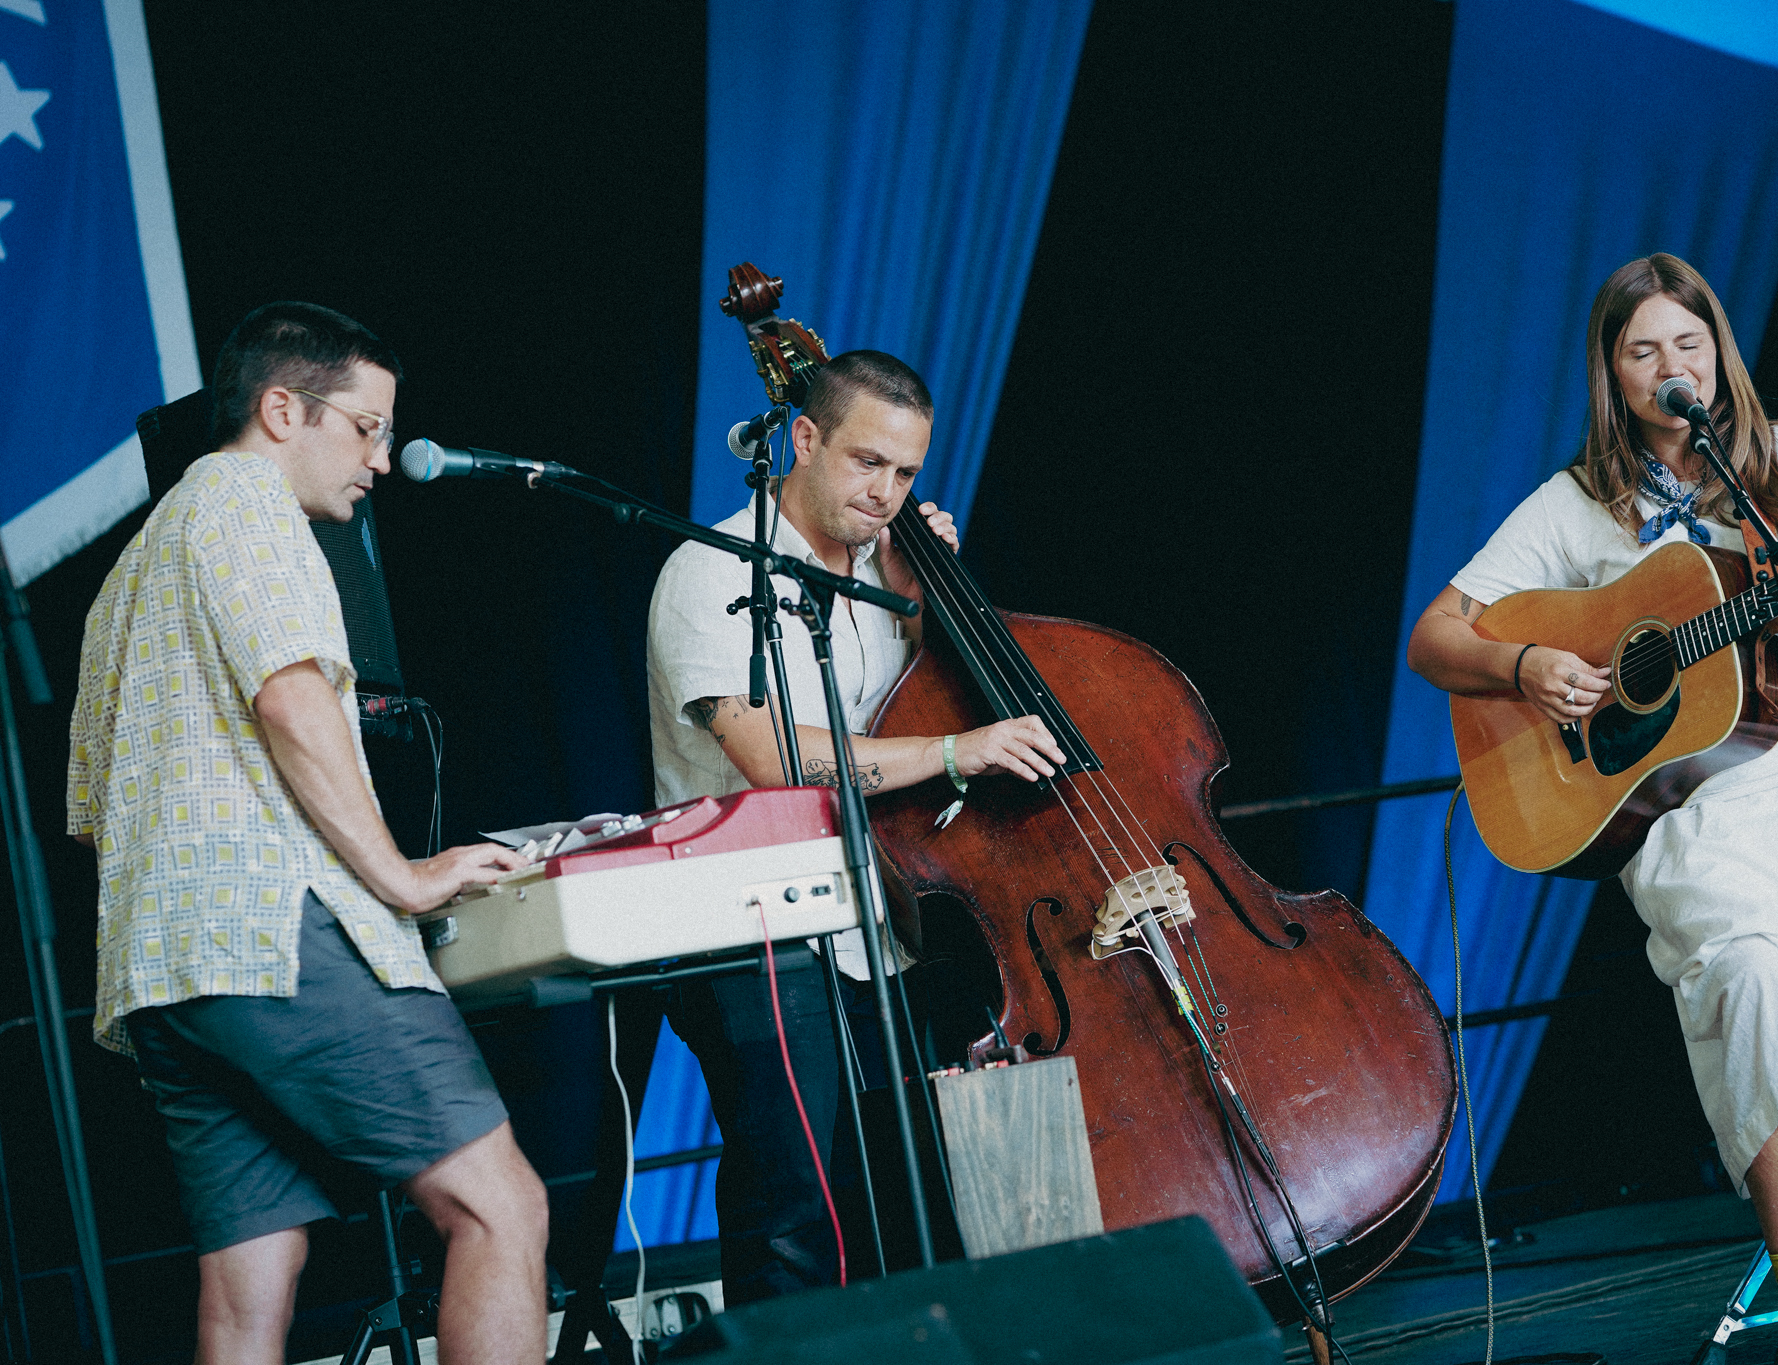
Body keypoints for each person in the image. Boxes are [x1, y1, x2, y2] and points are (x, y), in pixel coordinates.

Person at [1406, 255, 1778, 1363]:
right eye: (1641, 351)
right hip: (1705, 803)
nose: (1668, 367)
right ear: (1611, 374)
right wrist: (1530, 663)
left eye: (1686, 343)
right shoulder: (1576, 504)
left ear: (1717, 355)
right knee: (1751, 980)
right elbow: (1435, 636)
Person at [68, 302, 549, 1363]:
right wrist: (405, 878)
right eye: (366, 427)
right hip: (271, 932)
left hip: (165, 973)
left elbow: (93, 805)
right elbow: (290, 699)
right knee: (497, 1205)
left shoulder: (133, 569)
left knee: (251, 1282)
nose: (381, 459)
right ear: (283, 409)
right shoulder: (246, 507)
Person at [646, 349, 1065, 1301]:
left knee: (944, 1193)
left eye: (907, 474)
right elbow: (779, 759)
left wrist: (930, 607)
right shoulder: (711, 568)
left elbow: (926, 701)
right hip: (757, 922)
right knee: (797, 1207)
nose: (886, 494)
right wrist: (958, 751)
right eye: (866, 463)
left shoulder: (897, 578)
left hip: (901, 913)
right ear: (803, 439)